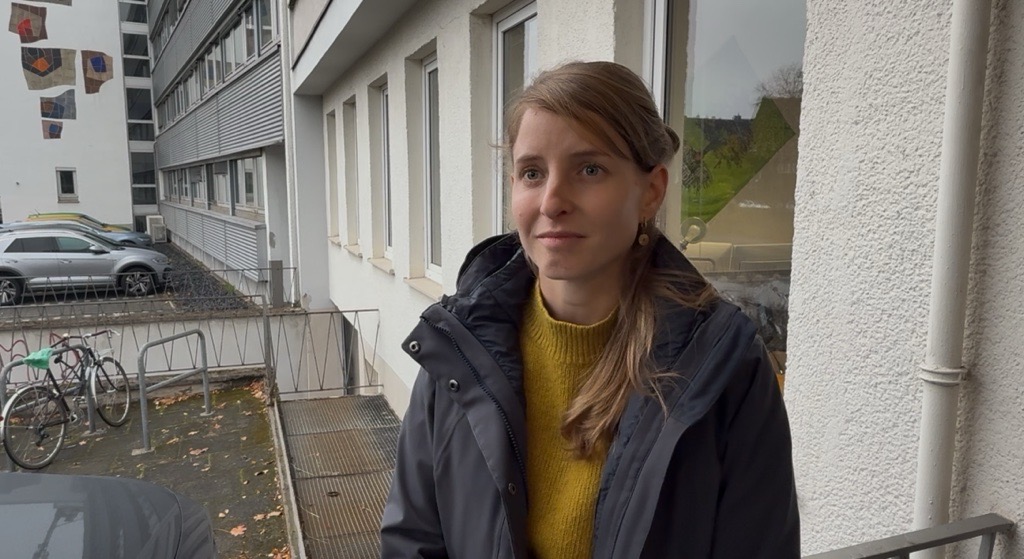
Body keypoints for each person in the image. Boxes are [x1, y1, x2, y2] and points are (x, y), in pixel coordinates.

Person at [380, 60, 799, 558]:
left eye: (589, 169)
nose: (552, 200)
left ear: (651, 191)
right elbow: (413, 541)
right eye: (532, 172)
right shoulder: (459, 349)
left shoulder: (722, 366)